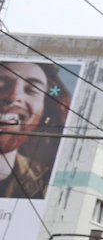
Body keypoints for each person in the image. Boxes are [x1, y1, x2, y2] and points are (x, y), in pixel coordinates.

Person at [0, 60, 57, 200]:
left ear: (45, 112)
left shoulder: (46, 180)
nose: (14, 97)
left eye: (31, 90)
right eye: (1, 85)